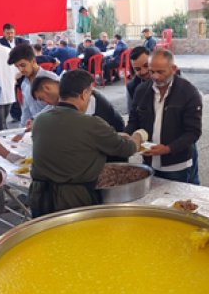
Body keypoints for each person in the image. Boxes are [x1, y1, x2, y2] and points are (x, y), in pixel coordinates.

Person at [29, 69, 144, 217]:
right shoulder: (92, 124)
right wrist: (138, 135)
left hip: (38, 198)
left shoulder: (40, 120)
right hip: (71, 202)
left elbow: (70, 140)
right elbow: (128, 148)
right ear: (84, 94)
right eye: (90, 94)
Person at [125, 49, 202, 184]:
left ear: (173, 69)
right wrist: (127, 137)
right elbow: (134, 120)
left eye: (160, 72)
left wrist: (167, 149)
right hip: (149, 162)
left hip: (177, 166)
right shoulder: (141, 90)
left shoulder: (188, 92)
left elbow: (193, 132)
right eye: (152, 71)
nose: (155, 76)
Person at [31, 75, 125, 132]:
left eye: (42, 98)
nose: (45, 103)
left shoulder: (77, 94)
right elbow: (51, 109)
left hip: (113, 136)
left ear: (47, 88)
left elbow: (82, 125)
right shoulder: (63, 95)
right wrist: (34, 119)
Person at [8, 44, 55, 129]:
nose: (21, 70)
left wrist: (35, 119)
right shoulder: (24, 84)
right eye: (17, 67)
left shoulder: (51, 79)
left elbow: (58, 105)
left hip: (54, 128)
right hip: (36, 130)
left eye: (23, 65)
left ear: (33, 61)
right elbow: (26, 112)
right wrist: (20, 132)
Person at [126, 46, 151, 114]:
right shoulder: (132, 87)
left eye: (146, 65)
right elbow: (132, 114)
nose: (143, 71)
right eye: (137, 69)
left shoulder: (168, 80)